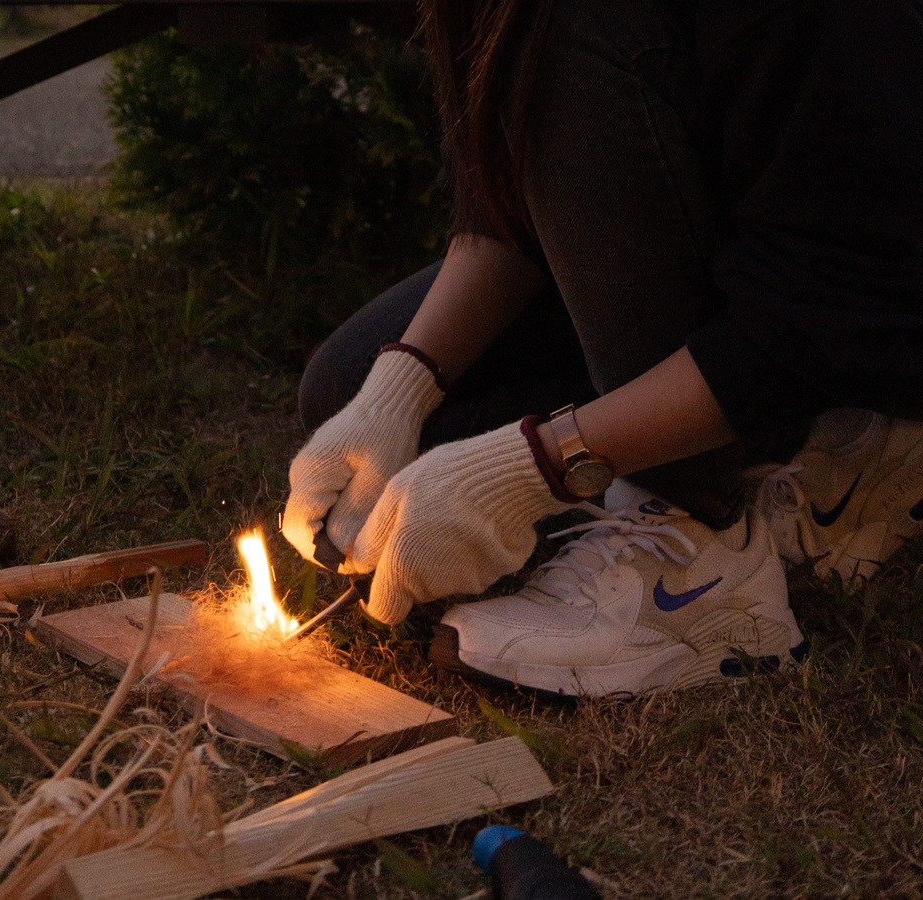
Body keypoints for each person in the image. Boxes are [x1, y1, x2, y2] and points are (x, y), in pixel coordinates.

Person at [281, 0, 923, 696]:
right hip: (761, 246)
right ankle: (789, 444)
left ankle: (705, 562)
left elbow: (830, 303)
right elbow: (512, 202)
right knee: (354, 388)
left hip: (869, 292)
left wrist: (532, 469)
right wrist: (397, 391)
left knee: (568, 23)